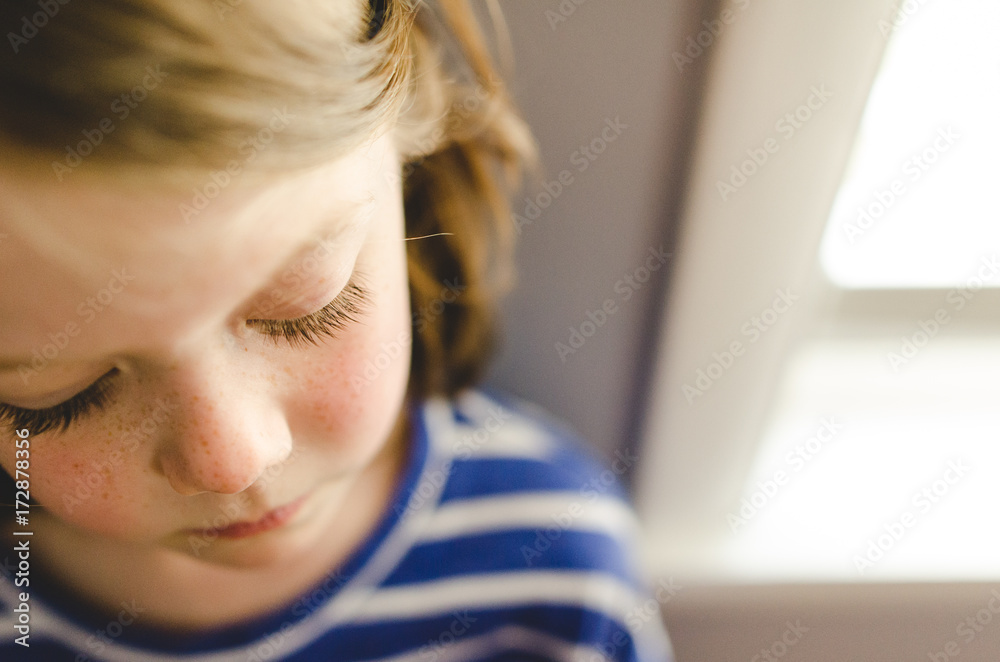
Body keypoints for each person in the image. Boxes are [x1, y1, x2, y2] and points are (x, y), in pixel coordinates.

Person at [0, 0, 674, 659]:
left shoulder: (546, 566)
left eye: (308, 307)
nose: (233, 460)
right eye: (61, 394)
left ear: (411, 136)